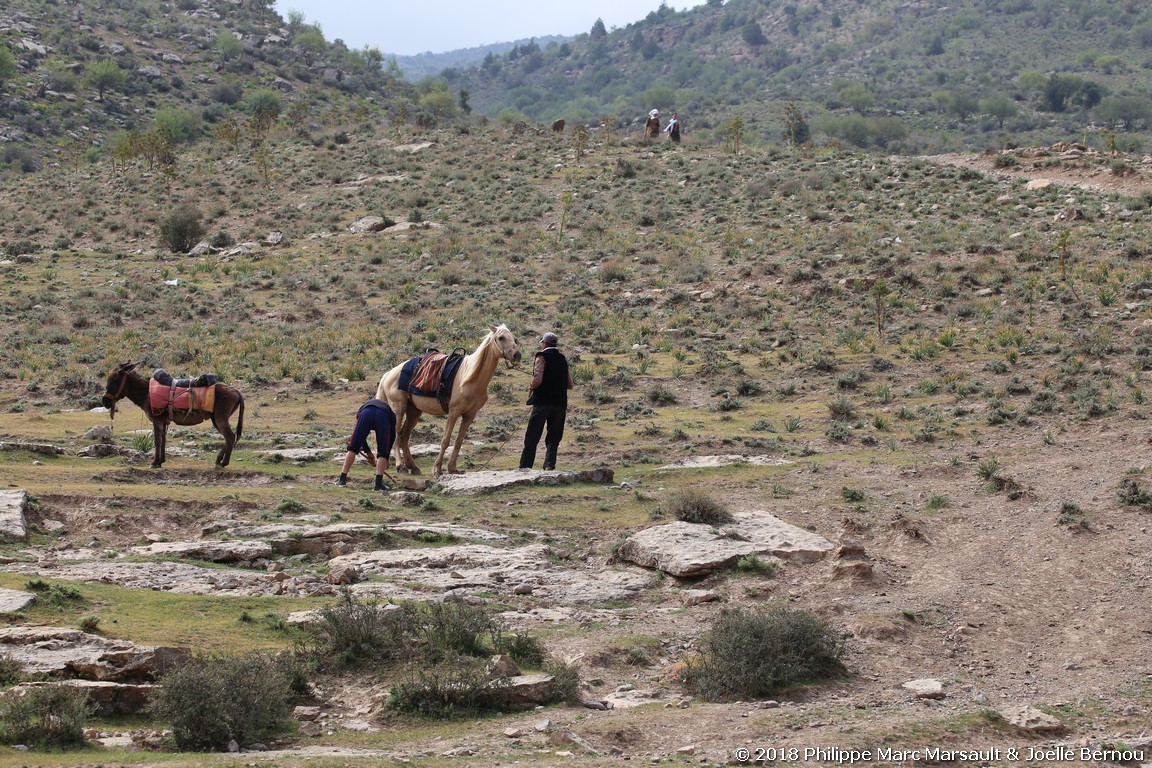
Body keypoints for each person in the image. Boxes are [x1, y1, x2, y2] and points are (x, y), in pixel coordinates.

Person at [519, 332, 574, 471]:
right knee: (554, 436)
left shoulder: (541, 357)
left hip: (542, 402)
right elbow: (570, 384)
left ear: (545, 343)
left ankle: (526, 466)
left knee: (532, 435)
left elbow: (537, 380)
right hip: (560, 403)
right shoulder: (562, 359)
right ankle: (549, 464)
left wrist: (531, 386)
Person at [337, 398, 395, 490]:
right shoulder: (391, 415)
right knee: (383, 451)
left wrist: (368, 452)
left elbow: (361, 437)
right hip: (382, 415)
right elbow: (391, 437)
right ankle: (378, 484)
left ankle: (342, 480)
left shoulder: (361, 411)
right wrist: (385, 455)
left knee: (353, 447)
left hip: (366, 412)